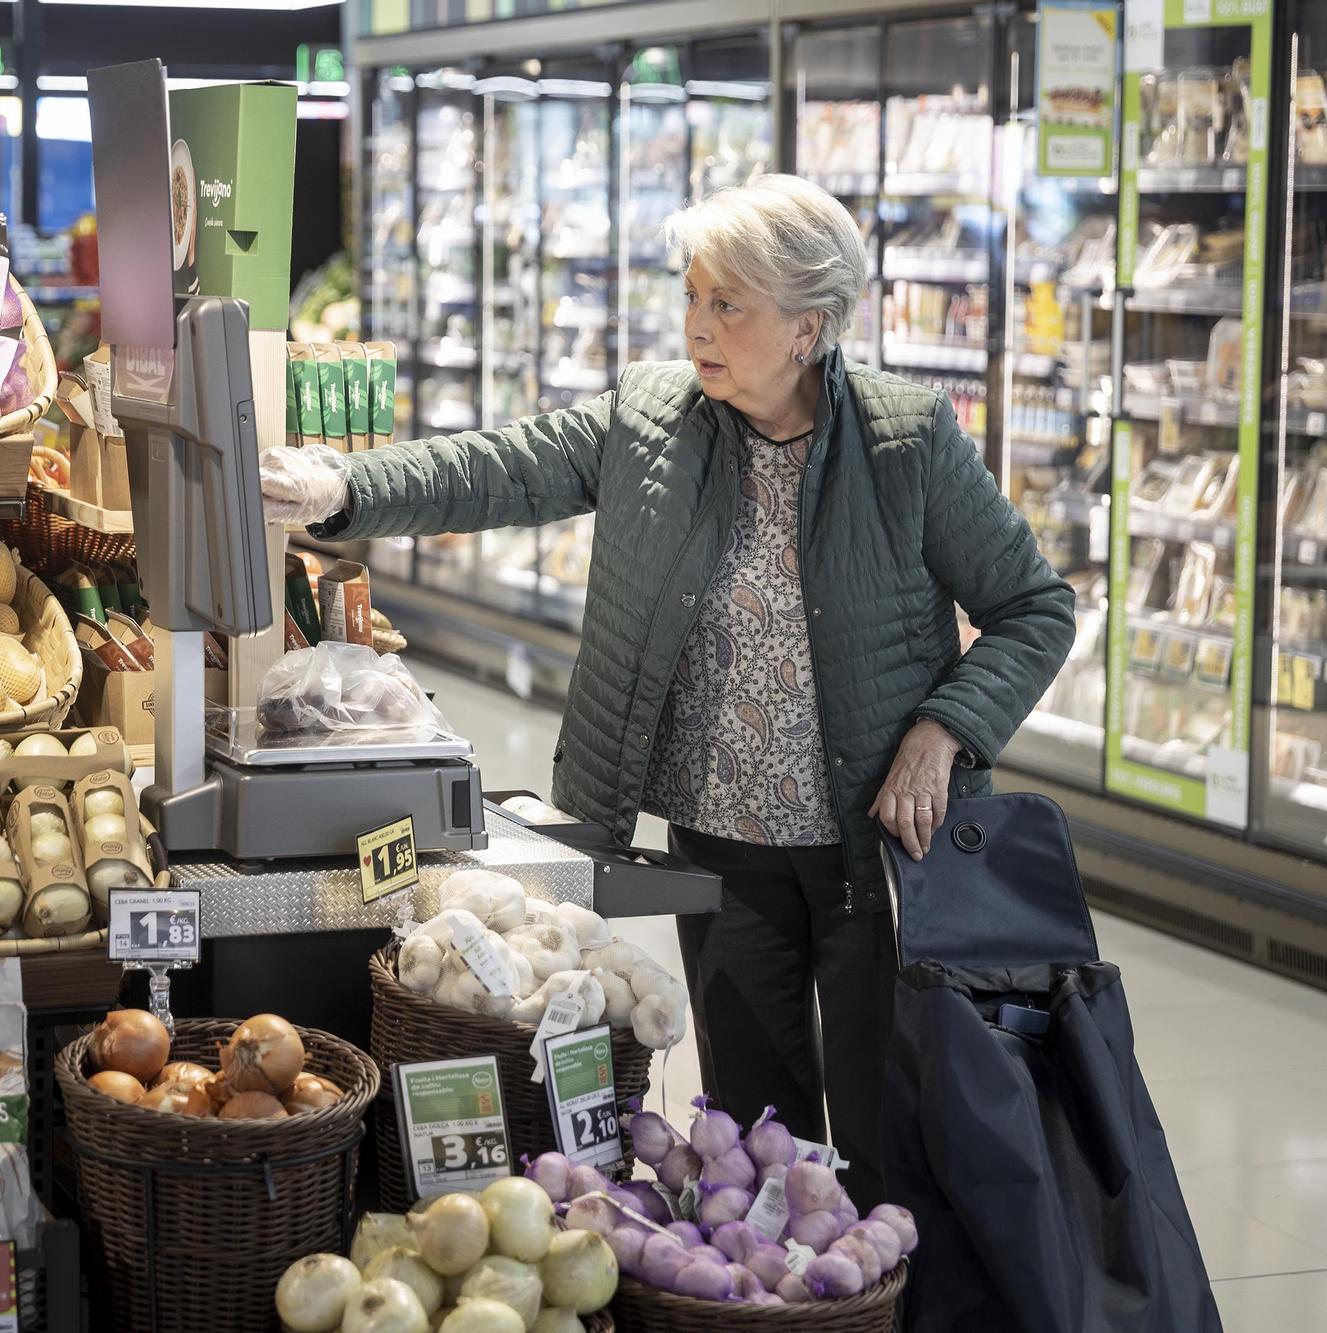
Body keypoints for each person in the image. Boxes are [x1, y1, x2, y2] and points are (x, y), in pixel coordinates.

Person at [260, 174, 1074, 1207]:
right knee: (750, 1132)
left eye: (726, 304)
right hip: (719, 849)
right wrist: (342, 487)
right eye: (690, 296)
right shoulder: (655, 420)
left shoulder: (904, 443)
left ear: (807, 326)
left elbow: (1033, 607)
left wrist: (942, 730)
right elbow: (500, 467)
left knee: (889, 1131)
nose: (696, 326)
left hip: (878, 856)